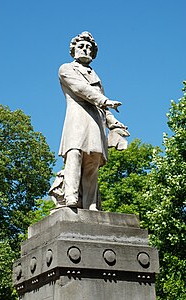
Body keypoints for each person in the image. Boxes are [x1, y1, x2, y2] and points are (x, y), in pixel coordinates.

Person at [56, 31, 129, 210]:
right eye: (81, 47)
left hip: (95, 122)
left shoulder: (96, 76)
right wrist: (104, 101)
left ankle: (91, 205)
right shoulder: (66, 69)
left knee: (93, 161)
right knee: (74, 154)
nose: (85, 50)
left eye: (89, 48)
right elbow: (80, 89)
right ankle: (71, 197)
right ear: (73, 50)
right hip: (77, 118)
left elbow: (102, 106)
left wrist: (113, 123)